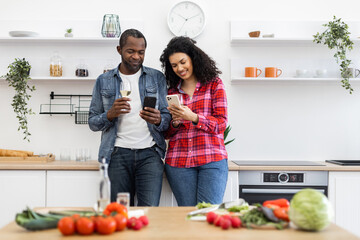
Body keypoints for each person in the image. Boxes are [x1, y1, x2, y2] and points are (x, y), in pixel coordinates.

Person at [89, 29, 171, 206]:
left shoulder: (156, 78)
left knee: (149, 212)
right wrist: (110, 114)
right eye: (130, 51)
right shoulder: (104, 80)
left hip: (150, 154)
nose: (136, 56)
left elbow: (167, 119)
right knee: (120, 212)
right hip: (117, 154)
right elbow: (92, 122)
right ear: (119, 50)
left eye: (141, 52)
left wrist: (159, 119)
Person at [159, 36, 228, 206]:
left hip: (211, 159)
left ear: (193, 58)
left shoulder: (214, 84)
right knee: (187, 215)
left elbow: (221, 123)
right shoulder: (172, 92)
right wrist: (175, 122)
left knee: (208, 213)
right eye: (174, 65)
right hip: (178, 162)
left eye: (183, 62)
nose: (179, 68)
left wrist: (194, 118)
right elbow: (166, 133)